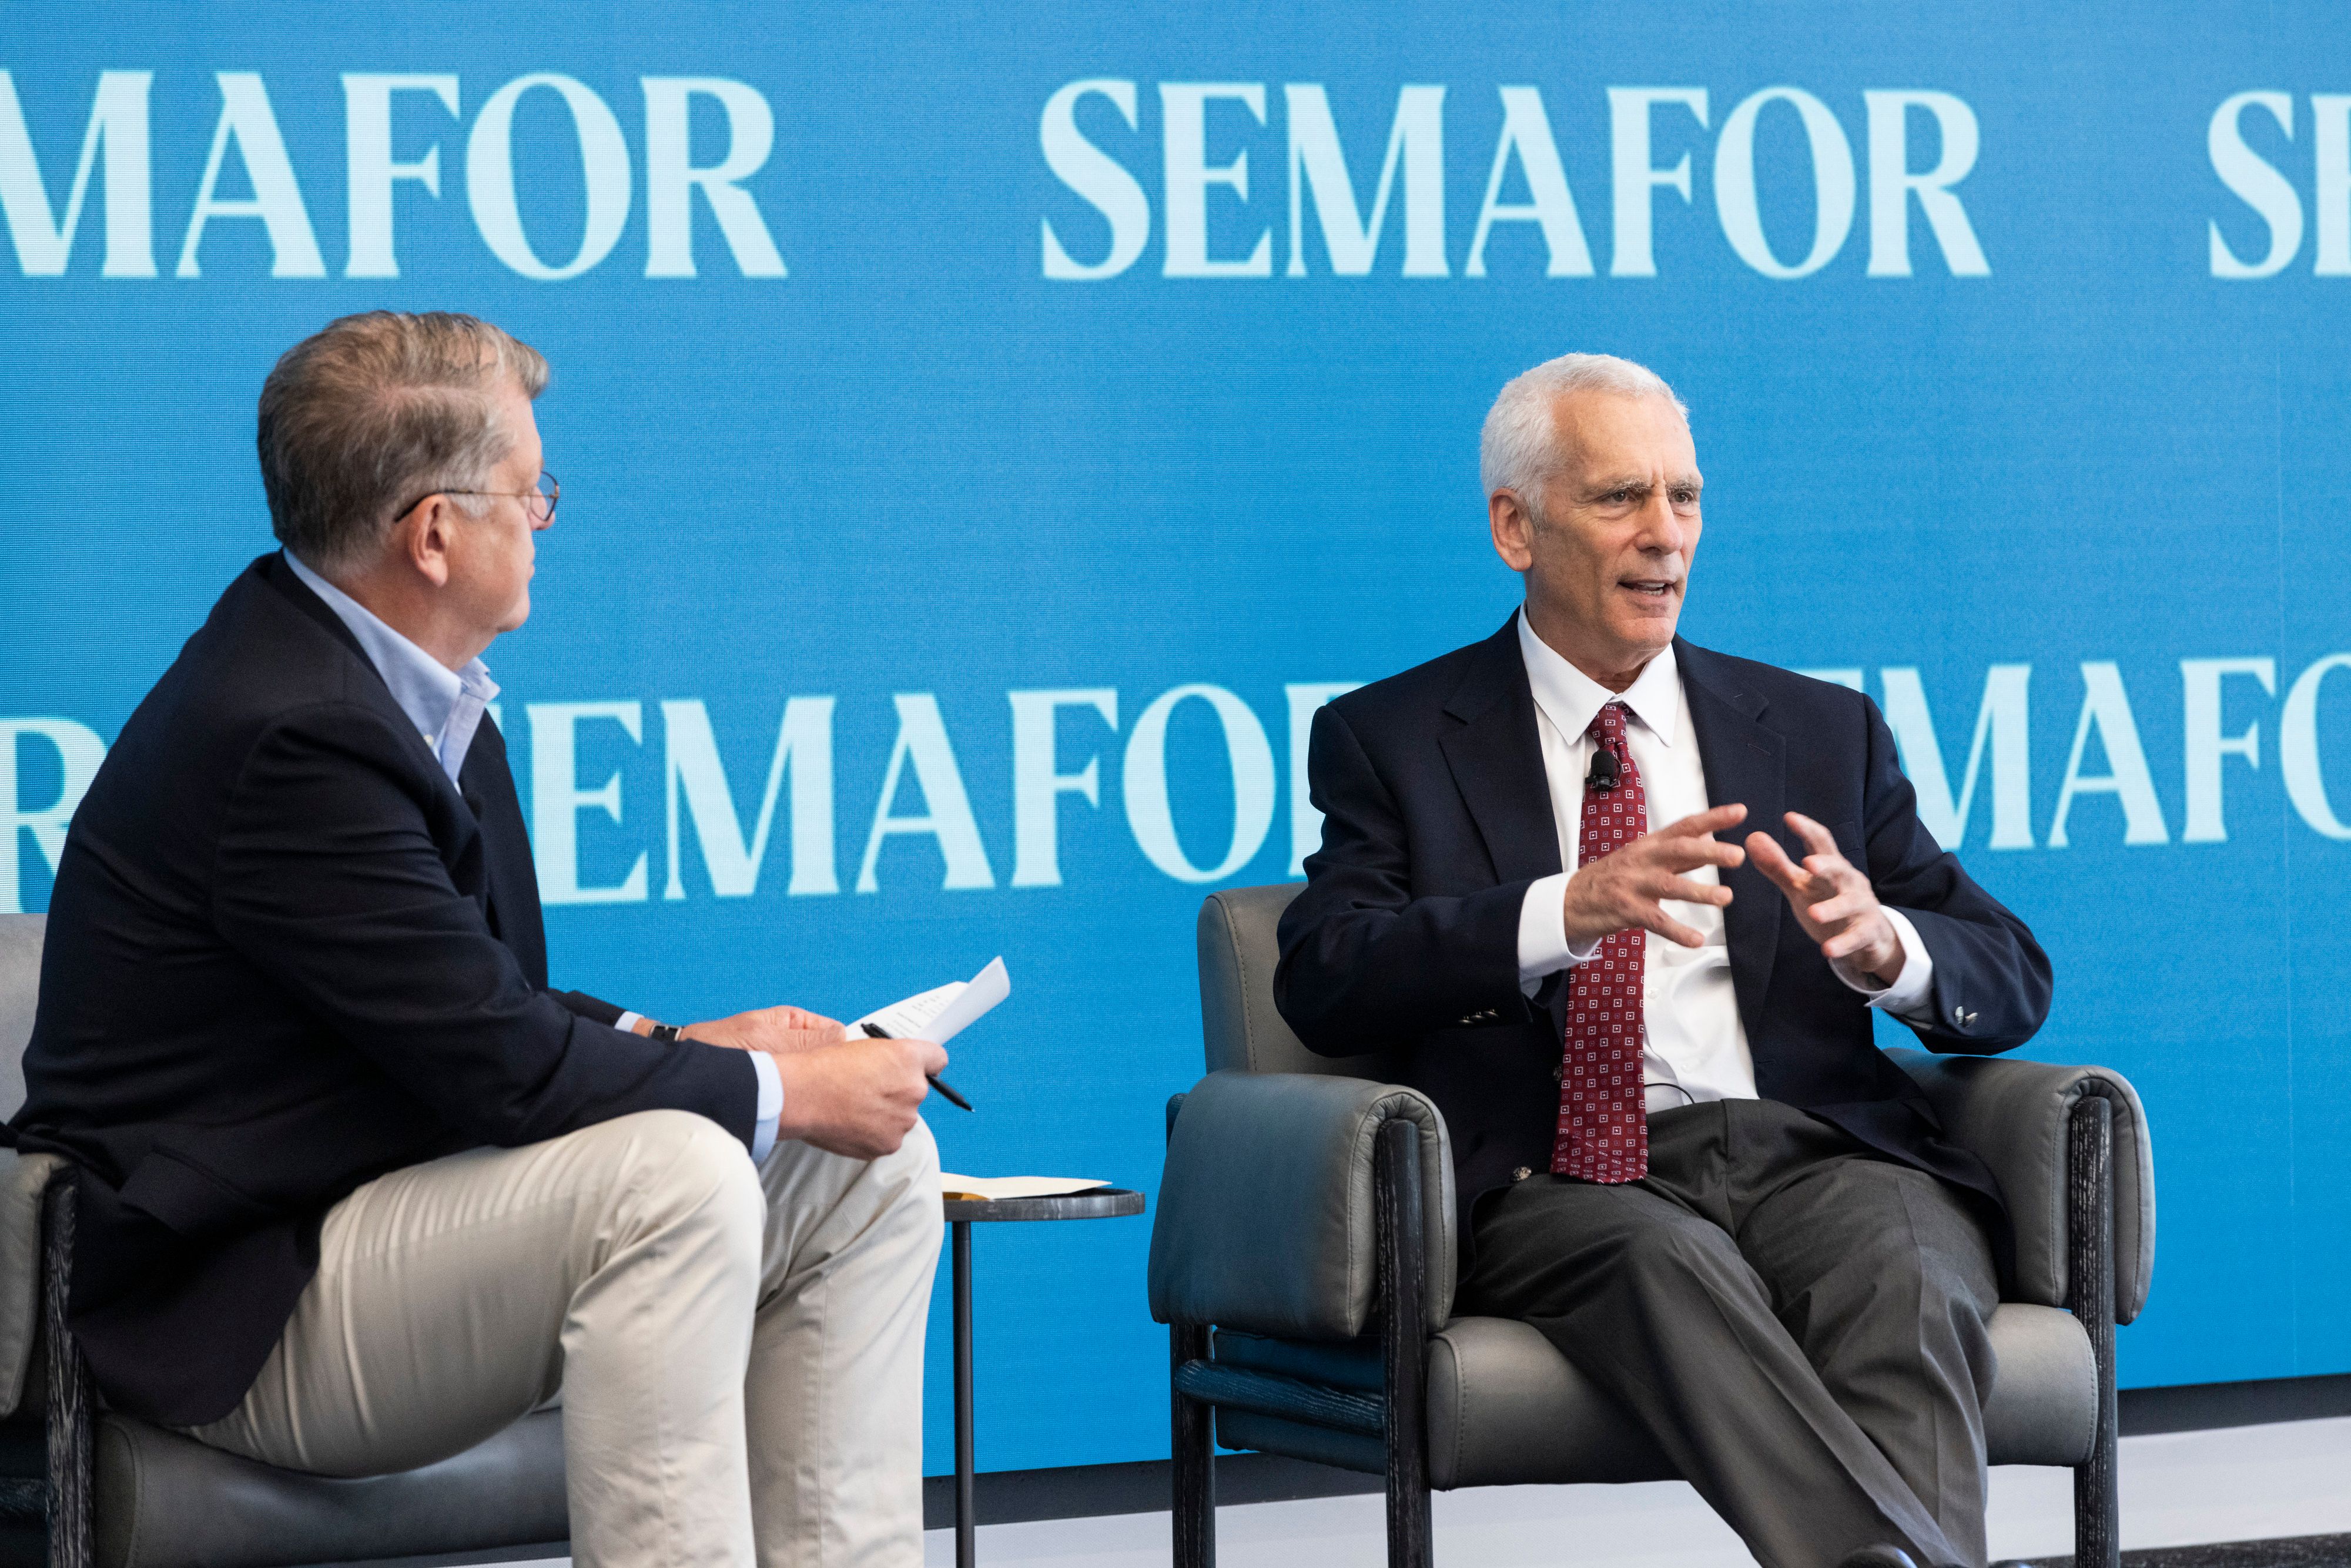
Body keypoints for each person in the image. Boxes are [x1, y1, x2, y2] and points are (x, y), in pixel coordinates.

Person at [5, 311, 947, 1568]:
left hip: (379, 1208)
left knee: (866, 1170)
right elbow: (503, 1066)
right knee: (676, 1173)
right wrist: (780, 1085)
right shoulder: (288, 732)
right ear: (435, 532)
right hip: (240, 1297)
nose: (545, 517)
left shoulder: (415, 694)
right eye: (529, 490)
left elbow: (477, 1001)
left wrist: (687, 1042)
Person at [1274, 353, 2052, 1568]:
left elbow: (2007, 972)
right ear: (1513, 526)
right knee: (1662, 1260)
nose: (1663, 537)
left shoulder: (1810, 729)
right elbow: (1324, 975)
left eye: (1683, 498)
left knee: (1905, 1268)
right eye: (1618, 498)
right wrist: (1558, 910)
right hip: (1561, 1175)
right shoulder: (1392, 738)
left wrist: (1882, 945)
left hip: (1813, 1148)